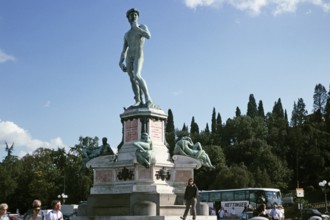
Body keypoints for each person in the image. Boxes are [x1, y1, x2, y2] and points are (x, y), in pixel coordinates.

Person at [119, 8, 153, 107]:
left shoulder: (142, 27)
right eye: (131, 15)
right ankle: (138, 99)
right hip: (129, 57)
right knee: (132, 78)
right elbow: (124, 50)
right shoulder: (127, 34)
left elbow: (148, 36)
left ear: (138, 17)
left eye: (135, 14)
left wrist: (136, 28)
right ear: (128, 18)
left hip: (139, 54)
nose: (133, 16)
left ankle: (148, 98)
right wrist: (120, 62)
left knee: (137, 75)